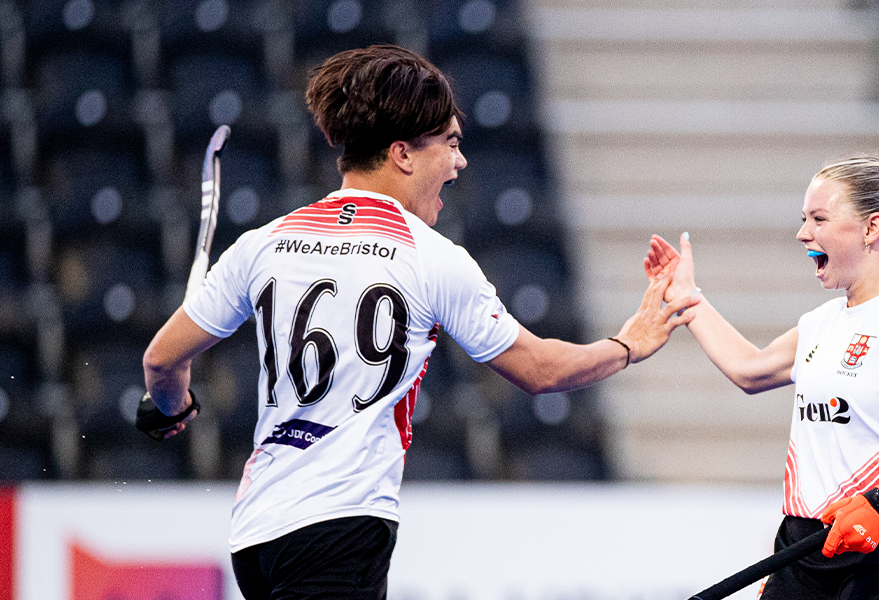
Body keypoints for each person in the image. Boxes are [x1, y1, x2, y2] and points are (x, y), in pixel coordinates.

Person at [137, 45, 699, 599]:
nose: (461, 161)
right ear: (403, 154)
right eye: (450, 143)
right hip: (342, 526)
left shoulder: (265, 243)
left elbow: (161, 359)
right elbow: (542, 369)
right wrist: (631, 342)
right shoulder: (431, 257)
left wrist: (172, 407)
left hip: (256, 536)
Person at [644, 154, 879, 599]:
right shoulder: (822, 323)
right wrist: (688, 298)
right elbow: (749, 369)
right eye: (804, 219)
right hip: (803, 545)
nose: (803, 234)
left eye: (819, 219)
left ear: (871, 228)